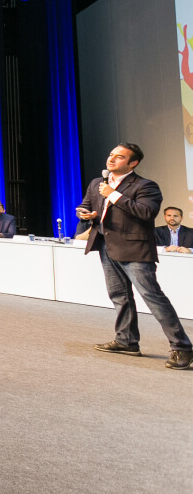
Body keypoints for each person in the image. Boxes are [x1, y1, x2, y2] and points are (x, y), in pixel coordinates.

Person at [76, 142, 192, 370]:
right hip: (106, 245)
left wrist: (114, 195)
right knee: (119, 296)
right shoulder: (97, 183)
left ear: (133, 163)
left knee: (153, 297)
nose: (111, 159)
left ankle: (183, 347)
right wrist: (85, 213)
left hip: (135, 249)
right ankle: (126, 341)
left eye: (119, 157)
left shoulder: (146, 185)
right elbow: (85, 206)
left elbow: (147, 212)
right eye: (111, 155)